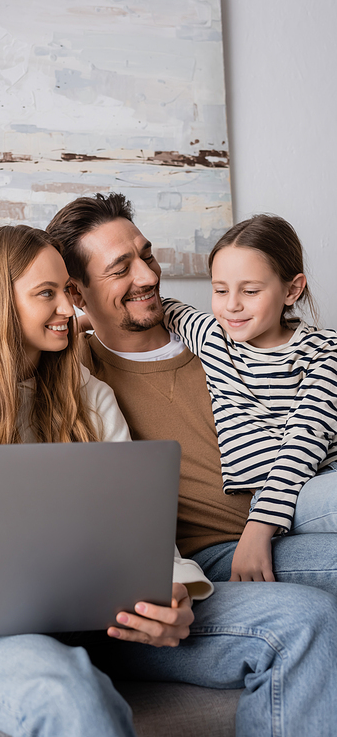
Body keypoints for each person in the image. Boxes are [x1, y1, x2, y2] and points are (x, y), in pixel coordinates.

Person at [0, 224, 337, 736]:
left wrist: (174, 593)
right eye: (46, 294)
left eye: (67, 291)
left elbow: (134, 523)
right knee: (69, 694)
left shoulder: (89, 394)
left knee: (310, 620)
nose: (68, 308)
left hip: (91, 611)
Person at [45, 193, 337, 595]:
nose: (148, 277)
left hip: (300, 506)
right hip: (221, 552)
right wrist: (70, 325)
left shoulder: (224, 336)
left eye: (146, 256)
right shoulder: (75, 373)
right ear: (77, 295)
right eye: (120, 270)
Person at [161, 214, 337, 582]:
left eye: (250, 291)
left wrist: (256, 529)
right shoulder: (211, 336)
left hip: (313, 482)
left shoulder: (325, 351)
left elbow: (305, 441)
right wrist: (84, 320)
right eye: (220, 290)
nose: (231, 306)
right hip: (277, 500)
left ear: (292, 290)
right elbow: (161, 308)